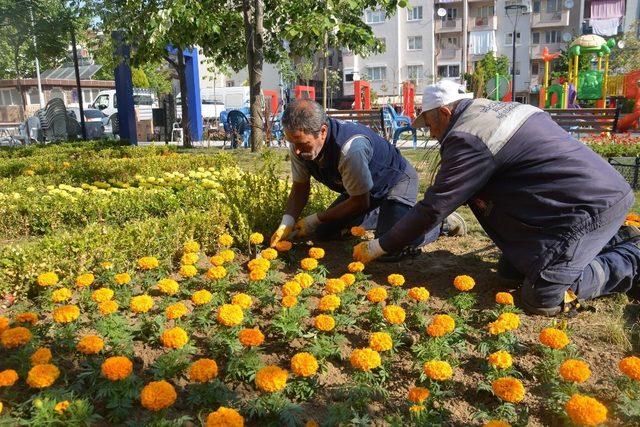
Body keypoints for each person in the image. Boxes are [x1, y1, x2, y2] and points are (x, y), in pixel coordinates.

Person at [353, 79, 640, 315]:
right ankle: (612, 239)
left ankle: (631, 258)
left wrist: (380, 247)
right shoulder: (492, 110)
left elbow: (434, 208)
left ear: (443, 113)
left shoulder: (469, 136)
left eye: (429, 124)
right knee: (510, 273)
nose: (431, 133)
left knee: (543, 296)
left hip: (590, 207)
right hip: (567, 205)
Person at [270, 99, 466, 261]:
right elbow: (300, 187)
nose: (295, 150)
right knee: (323, 232)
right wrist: (286, 222)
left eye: (302, 143)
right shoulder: (299, 146)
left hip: (396, 180)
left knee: (389, 245)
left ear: (322, 131)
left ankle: (440, 224)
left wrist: (314, 218)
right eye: (291, 142)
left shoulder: (349, 149)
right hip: (363, 190)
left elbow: (360, 202)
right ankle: (386, 214)